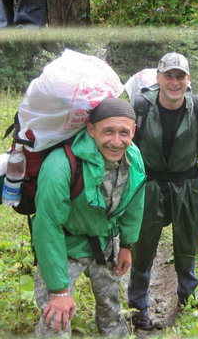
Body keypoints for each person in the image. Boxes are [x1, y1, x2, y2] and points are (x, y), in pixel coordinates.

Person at [128, 52, 198, 330]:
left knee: (188, 244)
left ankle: (188, 300)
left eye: (180, 76)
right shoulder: (140, 107)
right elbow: (125, 152)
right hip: (148, 186)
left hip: (188, 186)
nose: (174, 82)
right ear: (158, 78)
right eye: (169, 76)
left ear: (188, 80)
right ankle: (138, 307)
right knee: (141, 246)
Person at [32, 98, 146, 337]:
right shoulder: (61, 165)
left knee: (111, 306)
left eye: (124, 133)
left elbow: (135, 203)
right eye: (108, 132)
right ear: (91, 129)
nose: (116, 142)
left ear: (133, 131)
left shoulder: (134, 159)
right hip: (65, 247)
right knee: (56, 317)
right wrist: (59, 291)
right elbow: (47, 227)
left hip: (104, 242)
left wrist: (126, 245)